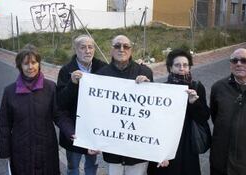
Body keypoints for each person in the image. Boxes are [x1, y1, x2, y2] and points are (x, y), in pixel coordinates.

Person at [0, 46, 73, 175]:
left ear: (39, 63)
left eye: (34, 62)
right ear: (19, 66)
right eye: (26, 63)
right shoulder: (9, 91)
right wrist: (5, 151)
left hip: (46, 147)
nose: (30, 67)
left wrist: (71, 132)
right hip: (20, 149)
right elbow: (4, 124)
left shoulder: (50, 87)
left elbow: (59, 115)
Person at [147, 49, 210, 175]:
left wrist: (193, 103)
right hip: (166, 144)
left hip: (188, 144)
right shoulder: (162, 89)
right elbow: (153, 121)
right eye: (177, 65)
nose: (182, 68)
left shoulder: (197, 87)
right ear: (170, 68)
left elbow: (204, 117)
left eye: (185, 65)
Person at [96, 35, 153, 175]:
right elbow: (97, 109)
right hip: (113, 149)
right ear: (111, 50)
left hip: (137, 150)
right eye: (117, 46)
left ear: (131, 50)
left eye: (126, 46)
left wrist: (148, 88)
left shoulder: (144, 72)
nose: (121, 49)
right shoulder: (101, 75)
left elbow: (152, 108)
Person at [56, 34, 107, 175]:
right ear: (75, 49)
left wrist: (139, 69)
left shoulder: (103, 68)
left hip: (93, 130)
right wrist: (72, 84)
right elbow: (60, 102)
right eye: (82, 47)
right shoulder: (66, 71)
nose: (87, 51)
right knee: (73, 166)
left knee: (91, 165)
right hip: (74, 130)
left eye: (90, 47)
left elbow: (118, 85)